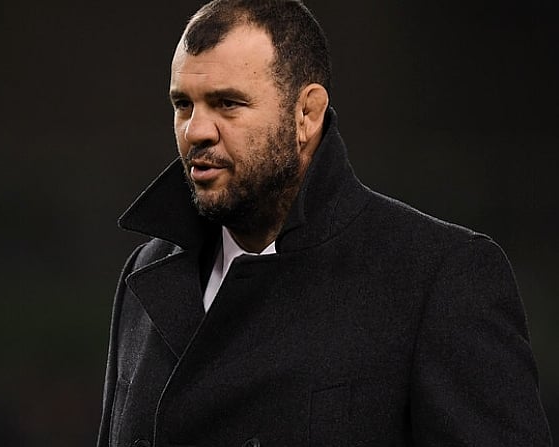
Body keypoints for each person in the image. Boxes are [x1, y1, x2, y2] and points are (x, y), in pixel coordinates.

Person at [97, 0, 553, 445]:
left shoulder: (436, 276)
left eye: (227, 103)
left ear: (307, 114)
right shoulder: (149, 272)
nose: (196, 130)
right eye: (184, 105)